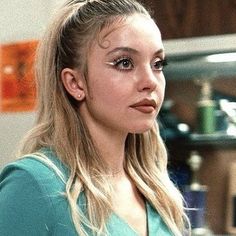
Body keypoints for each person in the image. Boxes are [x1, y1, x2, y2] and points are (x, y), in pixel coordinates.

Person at [0, 0, 190, 235]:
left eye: (158, 64)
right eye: (125, 63)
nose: (150, 81)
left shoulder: (157, 189)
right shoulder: (33, 185)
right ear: (75, 83)